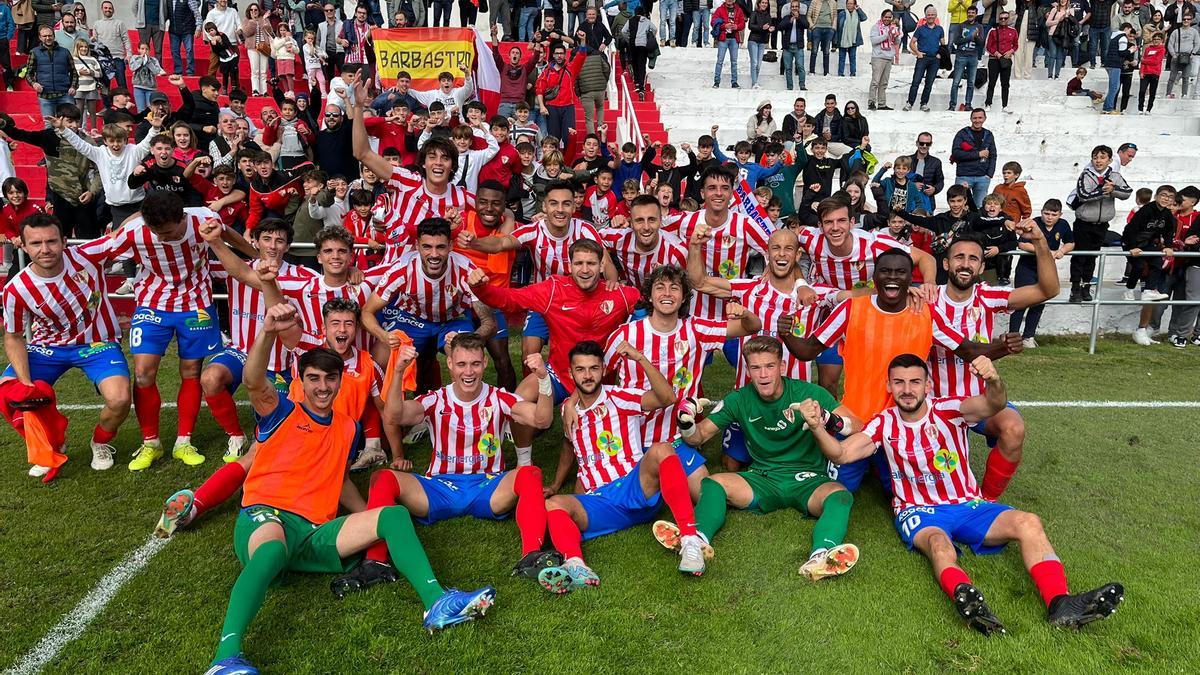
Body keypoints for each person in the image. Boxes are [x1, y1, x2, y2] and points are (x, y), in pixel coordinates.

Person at [204, 303, 497, 675]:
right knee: (272, 551)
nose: (322, 387)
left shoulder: (345, 426)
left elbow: (338, 478)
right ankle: (225, 659)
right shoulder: (281, 411)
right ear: (301, 379)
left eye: (330, 379)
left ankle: (436, 602)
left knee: (391, 515)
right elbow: (252, 379)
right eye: (313, 378)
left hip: (314, 532)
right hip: (268, 515)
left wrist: (367, 519)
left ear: (340, 381)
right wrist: (266, 332)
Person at [811, 353, 1124, 636]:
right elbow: (840, 454)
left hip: (968, 504)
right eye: (900, 382)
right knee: (938, 544)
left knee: (1028, 522)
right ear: (889, 385)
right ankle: (970, 601)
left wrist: (994, 380)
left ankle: (1061, 604)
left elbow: (994, 404)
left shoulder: (949, 410)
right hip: (919, 511)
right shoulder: (883, 423)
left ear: (927, 384)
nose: (907, 389)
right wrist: (818, 428)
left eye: (915, 382)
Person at [779, 244, 1022, 492]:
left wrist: (1003, 347)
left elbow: (968, 350)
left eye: (900, 272)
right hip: (856, 421)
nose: (892, 277)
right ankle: (864, 461)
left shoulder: (925, 314)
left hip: (903, 428)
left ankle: (880, 464)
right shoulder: (851, 310)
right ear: (875, 277)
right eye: (885, 271)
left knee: (908, 493)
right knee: (836, 489)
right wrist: (786, 334)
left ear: (911, 279)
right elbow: (808, 350)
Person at [331, 333, 555, 595]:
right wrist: (399, 372)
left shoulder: (499, 398)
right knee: (383, 478)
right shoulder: (436, 399)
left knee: (529, 473)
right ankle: (375, 561)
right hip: (439, 488)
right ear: (450, 364)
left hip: (487, 486)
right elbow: (394, 415)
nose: (468, 371)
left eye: (474, 364)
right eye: (461, 364)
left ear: (484, 363)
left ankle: (532, 555)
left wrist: (543, 380)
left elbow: (542, 420)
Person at [517, 340, 710, 588]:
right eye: (580, 369)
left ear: (603, 368)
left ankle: (690, 540)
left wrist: (640, 358)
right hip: (600, 500)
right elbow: (568, 446)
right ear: (571, 373)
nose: (587, 375)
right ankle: (576, 565)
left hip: (634, 487)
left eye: (594, 368)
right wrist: (555, 484)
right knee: (554, 504)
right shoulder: (568, 410)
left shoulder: (619, 397)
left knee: (661, 449)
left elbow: (667, 398)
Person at [667, 335, 862, 578]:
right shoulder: (739, 399)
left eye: (770, 366)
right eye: (756, 368)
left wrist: (827, 418)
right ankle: (695, 541)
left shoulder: (809, 392)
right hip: (763, 478)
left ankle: (822, 555)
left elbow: (856, 424)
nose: (763, 375)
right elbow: (698, 438)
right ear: (748, 370)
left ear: (781, 366)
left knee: (840, 496)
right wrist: (686, 424)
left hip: (809, 479)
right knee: (714, 483)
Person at [107, 191, 255, 471]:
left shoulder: (204, 219)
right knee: (143, 373)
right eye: (156, 233)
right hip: (152, 303)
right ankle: (150, 442)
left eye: (168, 232)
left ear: (182, 219)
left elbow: (230, 236)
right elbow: (103, 250)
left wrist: (256, 257)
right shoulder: (133, 231)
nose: (162, 238)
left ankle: (183, 442)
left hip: (196, 304)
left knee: (191, 372)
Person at [931, 228, 1059, 500]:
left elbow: (1048, 289)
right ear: (946, 263)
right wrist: (1002, 348)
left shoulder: (986, 297)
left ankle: (986, 501)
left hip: (980, 400)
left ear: (981, 266)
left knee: (1014, 428)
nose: (965, 264)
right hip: (934, 403)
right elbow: (969, 350)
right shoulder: (929, 299)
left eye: (973, 259)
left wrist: (1039, 241)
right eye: (959, 257)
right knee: (940, 481)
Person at [0, 214, 129, 478]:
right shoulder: (16, 289)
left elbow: (129, 230)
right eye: (35, 243)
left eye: (51, 241)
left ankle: (100, 442)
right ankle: (50, 444)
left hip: (97, 344)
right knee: (10, 393)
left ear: (64, 241)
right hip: (48, 349)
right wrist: (26, 383)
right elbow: (13, 337)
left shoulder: (87, 255)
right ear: (23, 246)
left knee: (120, 399)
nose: (45, 249)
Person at [794, 198, 938, 396]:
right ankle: (833, 424)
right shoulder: (810, 238)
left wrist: (928, 282)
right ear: (819, 226)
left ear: (852, 222)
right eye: (828, 222)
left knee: (875, 379)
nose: (835, 228)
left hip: (866, 315)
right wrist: (799, 282)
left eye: (841, 221)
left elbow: (924, 257)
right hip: (830, 314)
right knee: (827, 383)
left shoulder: (874, 243)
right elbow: (783, 242)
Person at [1069, 144, 1131, 302]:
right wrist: (1105, 190)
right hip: (1084, 223)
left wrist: (1113, 189)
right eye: (1095, 157)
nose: (1098, 161)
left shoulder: (1115, 176)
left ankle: (1086, 287)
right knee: (1079, 257)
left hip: (1102, 224)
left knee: (1092, 257)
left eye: (1102, 157)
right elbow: (1083, 195)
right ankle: (1075, 288)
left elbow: (1127, 192)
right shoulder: (1086, 175)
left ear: (1110, 160)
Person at [1008, 199, 1073, 347]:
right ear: (1041, 212)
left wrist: (1062, 250)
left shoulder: (1063, 225)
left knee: (1039, 302)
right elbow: (1022, 243)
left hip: (1046, 270)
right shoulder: (1034, 223)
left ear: (1060, 214)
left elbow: (1071, 242)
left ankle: (1028, 337)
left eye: (1053, 214)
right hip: (1027, 268)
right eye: (1046, 213)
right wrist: (1043, 251)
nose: (1049, 217)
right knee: (1019, 303)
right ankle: (1012, 337)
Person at [26, 25, 77, 121]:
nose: (48, 38)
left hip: (65, 94)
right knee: (49, 126)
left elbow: (73, 71)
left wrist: (73, 86)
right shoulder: (34, 52)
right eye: (44, 36)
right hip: (45, 96)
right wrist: (34, 83)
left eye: (50, 35)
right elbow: (28, 73)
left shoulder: (65, 52)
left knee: (69, 124)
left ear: (54, 36)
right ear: (40, 37)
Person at [950, 109, 997, 208]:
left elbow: (993, 155)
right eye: (974, 118)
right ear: (971, 118)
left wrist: (989, 174)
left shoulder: (988, 134)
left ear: (985, 118)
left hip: (983, 177)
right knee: (959, 207)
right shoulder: (962, 134)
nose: (977, 120)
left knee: (979, 208)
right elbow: (956, 153)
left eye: (980, 118)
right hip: (964, 176)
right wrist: (978, 154)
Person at [904, 5, 945, 112]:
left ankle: (924, 103)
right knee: (916, 81)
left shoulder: (940, 29)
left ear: (936, 16)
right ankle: (910, 103)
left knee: (929, 83)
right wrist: (917, 53)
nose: (930, 17)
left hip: (934, 60)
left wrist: (940, 54)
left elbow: (943, 44)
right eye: (928, 15)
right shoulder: (920, 29)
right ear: (925, 16)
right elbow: (911, 43)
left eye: (932, 15)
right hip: (923, 58)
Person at [983, 9, 1017, 111]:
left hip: (1006, 59)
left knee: (1005, 84)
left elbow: (1016, 45)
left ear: (1008, 19)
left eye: (1005, 18)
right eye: (1001, 18)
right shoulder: (993, 31)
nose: (1003, 20)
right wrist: (996, 53)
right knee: (992, 82)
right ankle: (988, 104)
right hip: (994, 59)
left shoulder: (1013, 31)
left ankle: (1005, 105)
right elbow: (988, 45)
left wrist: (1011, 51)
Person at [92, 1, 131, 90]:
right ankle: (107, 104)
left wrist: (129, 54)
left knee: (122, 84)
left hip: (118, 58)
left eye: (110, 8)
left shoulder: (119, 23)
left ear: (113, 10)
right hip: (103, 59)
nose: (108, 10)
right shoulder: (97, 24)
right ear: (102, 9)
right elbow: (95, 41)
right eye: (105, 8)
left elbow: (126, 39)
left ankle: (124, 102)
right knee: (105, 86)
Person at [869, 9, 901, 110]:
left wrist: (896, 34)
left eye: (889, 17)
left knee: (884, 83)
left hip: (888, 57)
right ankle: (871, 102)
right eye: (886, 17)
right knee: (875, 81)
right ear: (882, 17)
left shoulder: (893, 28)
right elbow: (874, 40)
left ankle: (882, 104)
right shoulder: (876, 27)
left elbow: (896, 42)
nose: (887, 19)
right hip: (878, 57)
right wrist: (887, 35)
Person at [712, 0, 746, 88]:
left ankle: (734, 82)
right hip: (723, 38)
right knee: (720, 61)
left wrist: (737, 27)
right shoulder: (720, 9)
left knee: (734, 62)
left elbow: (742, 23)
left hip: (734, 38)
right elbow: (713, 22)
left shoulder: (739, 10)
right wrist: (724, 26)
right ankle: (716, 82)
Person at [779, 1, 807, 91]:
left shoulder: (802, 17)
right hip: (787, 46)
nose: (794, 8)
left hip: (798, 46)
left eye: (796, 6)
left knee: (800, 67)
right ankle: (789, 87)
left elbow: (806, 25)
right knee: (788, 68)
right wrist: (789, 22)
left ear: (799, 8)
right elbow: (780, 27)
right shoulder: (787, 17)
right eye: (793, 6)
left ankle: (802, 85)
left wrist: (798, 18)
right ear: (790, 8)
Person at [836, 0, 868, 77]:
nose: (849, 5)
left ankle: (853, 73)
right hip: (843, 38)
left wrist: (858, 9)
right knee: (841, 57)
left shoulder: (857, 13)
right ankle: (840, 73)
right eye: (848, 3)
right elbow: (838, 27)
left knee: (852, 57)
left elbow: (864, 18)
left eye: (851, 3)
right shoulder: (842, 14)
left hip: (854, 39)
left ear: (854, 5)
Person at [1138, 31, 1166, 114]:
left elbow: (1156, 61)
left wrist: (1145, 60)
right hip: (1146, 72)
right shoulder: (1148, 49)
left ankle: (1148, 109)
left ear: (1161, 40)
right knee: (1142, 91)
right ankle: (1140, 108)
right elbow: (1143, 62)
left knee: (1152, 92)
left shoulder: (1162, 49)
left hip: (1155, 73)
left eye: (1158, 39)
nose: (1156, 41)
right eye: (1154, 39)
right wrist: (1141, 72)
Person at [808, 0, 837, 76]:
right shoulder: (814, 1)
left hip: (828, 28)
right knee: (814, 50)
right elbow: (808, 15)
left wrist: (833, 28)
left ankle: (826, 72)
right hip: (817, 28)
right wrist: (812, 26)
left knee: (826, 51)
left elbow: (835, 16)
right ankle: (811, 71)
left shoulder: (833, 2)